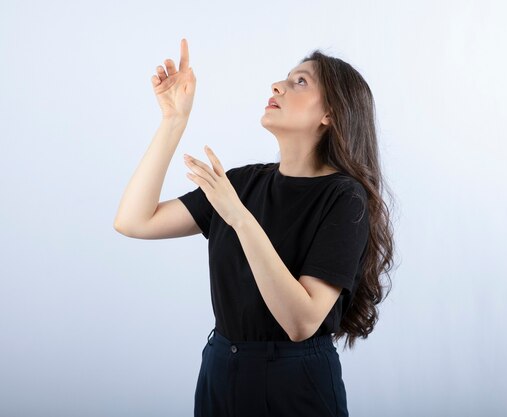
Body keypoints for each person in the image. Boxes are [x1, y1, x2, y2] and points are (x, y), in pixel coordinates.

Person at [114, 38, 395, 417]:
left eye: (300, 82)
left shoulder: (345, 198)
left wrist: (240, 218)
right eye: (285, 78)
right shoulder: (242, 184)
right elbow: (133, 221)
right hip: (220, 371)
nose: (277, 85)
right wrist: (173, 121)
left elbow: (301, 321)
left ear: (330, 113)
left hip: (296, 383)